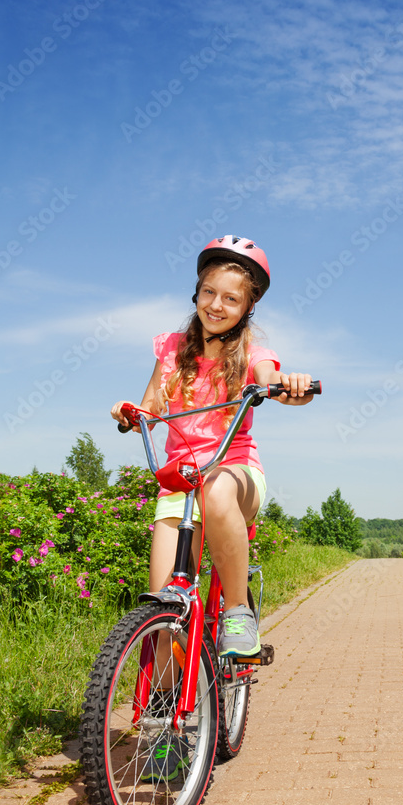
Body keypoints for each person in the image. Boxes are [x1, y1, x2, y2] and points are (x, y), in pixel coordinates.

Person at [111, 234, 314, 663]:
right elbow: (149, 406)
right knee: (165, 611)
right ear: (196, 292)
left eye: (230, 299)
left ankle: (238, 612)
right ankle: (167, 718)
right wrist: (132, 414)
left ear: (247, 308)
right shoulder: (170, 347)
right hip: (179, 482)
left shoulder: (254, 352)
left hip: (234, 474)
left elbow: (272, 382)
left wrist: (289, 388)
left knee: (216, 489)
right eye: (209, 292)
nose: (216, 305)